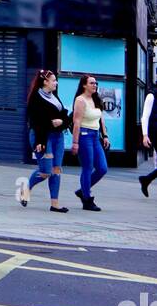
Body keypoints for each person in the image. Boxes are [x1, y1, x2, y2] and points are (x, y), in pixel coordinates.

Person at [18, 68, 70, 212]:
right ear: (45, 82)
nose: (56, 83)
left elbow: (65, 116)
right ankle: (26, 188)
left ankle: (54, 204)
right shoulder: (35, 98)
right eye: (53, 80)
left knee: (56, 169)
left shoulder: (54, 96)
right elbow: (36, 122)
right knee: (46, 171)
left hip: (57, 137)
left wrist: (62, 122)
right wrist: (40, 142)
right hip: (42, 137)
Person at [71, 74, 110, 211]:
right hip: (84, 135)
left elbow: (101, 119)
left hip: (95, 136)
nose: (95, 85)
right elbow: (76, 122)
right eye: (92, 83)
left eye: (96, 83)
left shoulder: (95, 98)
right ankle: (87, 199)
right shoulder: (80, 100)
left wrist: (105, 136)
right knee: (87, 168)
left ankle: (82, 190)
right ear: (84, 85)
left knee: (102, 168)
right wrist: (75, 143)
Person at [139, 86, 157, 197]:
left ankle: (146, 179)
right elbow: (144, 117)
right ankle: (146, 179)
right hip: (155, 132)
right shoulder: (151, 95)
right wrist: (145, 135)